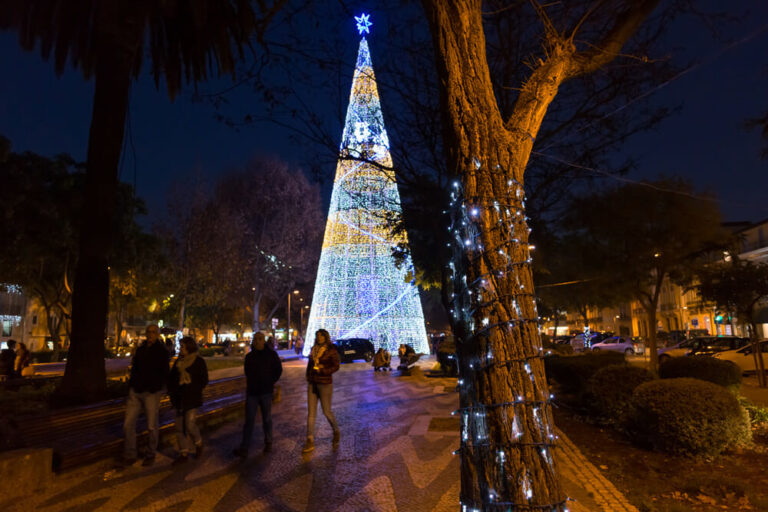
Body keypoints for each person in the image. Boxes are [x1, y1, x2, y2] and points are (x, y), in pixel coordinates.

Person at [123, 324, 170, 466]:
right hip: (136, 390)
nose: (150, 335)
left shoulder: (161, 351)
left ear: (157, 334)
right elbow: (135, 367)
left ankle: (151, 452)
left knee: (151, 425)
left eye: (153, 332)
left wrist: (156, 387)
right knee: (128, 424)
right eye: (148, 332)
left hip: (151, 392)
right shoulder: (141, 349)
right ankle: (130, 453)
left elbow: (164, 372)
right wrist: (132, 383)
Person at [233, 332, 282, 457]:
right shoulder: (250, 356)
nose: (257, 341)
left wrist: (271, 381)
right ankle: (245, 447)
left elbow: (278, 370)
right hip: (252, 392)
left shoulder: (271, 355)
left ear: (263, 341)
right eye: (255, 339)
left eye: (259, 339)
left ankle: (268, 442)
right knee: (249, 420)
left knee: (267, 418)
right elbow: (247, 371)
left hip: (266, 391)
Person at [167, 337, 208, 464]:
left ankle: (198, 443)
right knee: (179, 427)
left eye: (183, 346)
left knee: (190, 425)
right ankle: (183, 453)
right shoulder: (178, 361)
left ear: (189, 347)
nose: (181, 348)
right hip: (179, 399)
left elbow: (204, 379)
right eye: (180, 346)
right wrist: (172, 393)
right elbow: (171, 379)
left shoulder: (198, 361)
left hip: (191, 399)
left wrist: (194, 390)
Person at [303, 329, 340, 453]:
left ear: (325, 337)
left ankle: (336, 430)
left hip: (324, 383)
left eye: (321, 335)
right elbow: (310, 364)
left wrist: (323, 370)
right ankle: (310, 440)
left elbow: (336, 366)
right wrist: (308, 376)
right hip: (312, 383)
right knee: (311, 413)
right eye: (317, 335)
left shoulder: (331, 350)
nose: (319, 337)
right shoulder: (314, 349)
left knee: (326, 411)